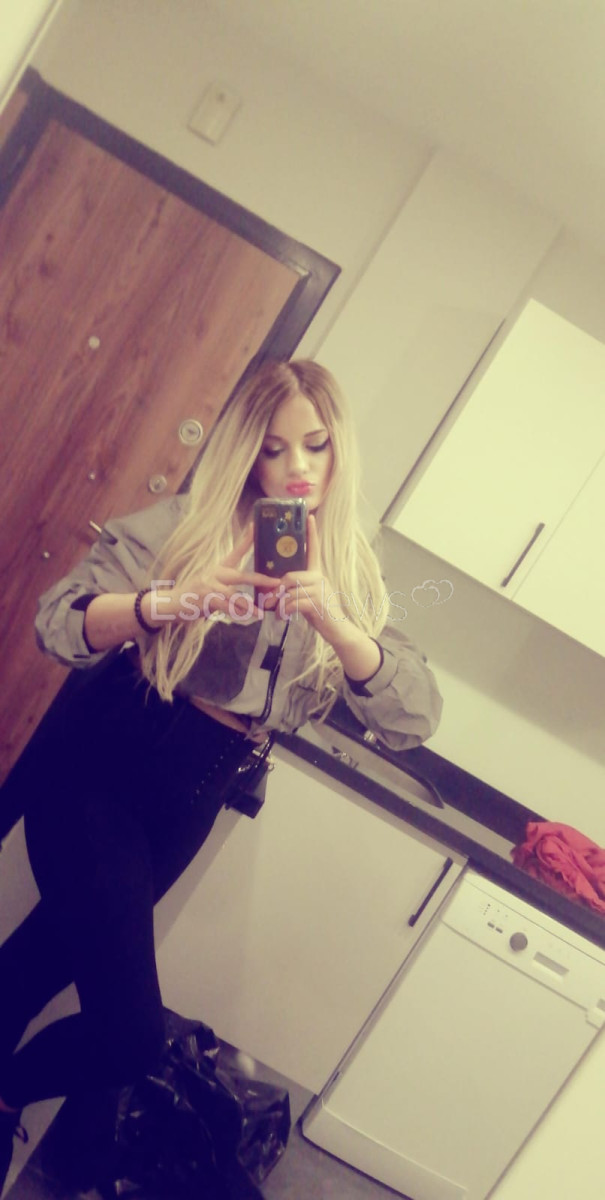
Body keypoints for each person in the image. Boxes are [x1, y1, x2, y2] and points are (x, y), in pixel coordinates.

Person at [0, 358, 442, 1191]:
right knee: (129, 1033)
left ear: (340, 449)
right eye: (273, 448)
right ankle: (8, 1093)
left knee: (38, 962)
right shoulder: (187, 525)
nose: (297, 467)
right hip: (106, 763)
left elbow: (413, 718)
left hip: (197, 791)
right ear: (246, 451)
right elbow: (57, 622)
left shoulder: (350, 567)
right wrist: (169, 601)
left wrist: (338, 625)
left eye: (315, 445)